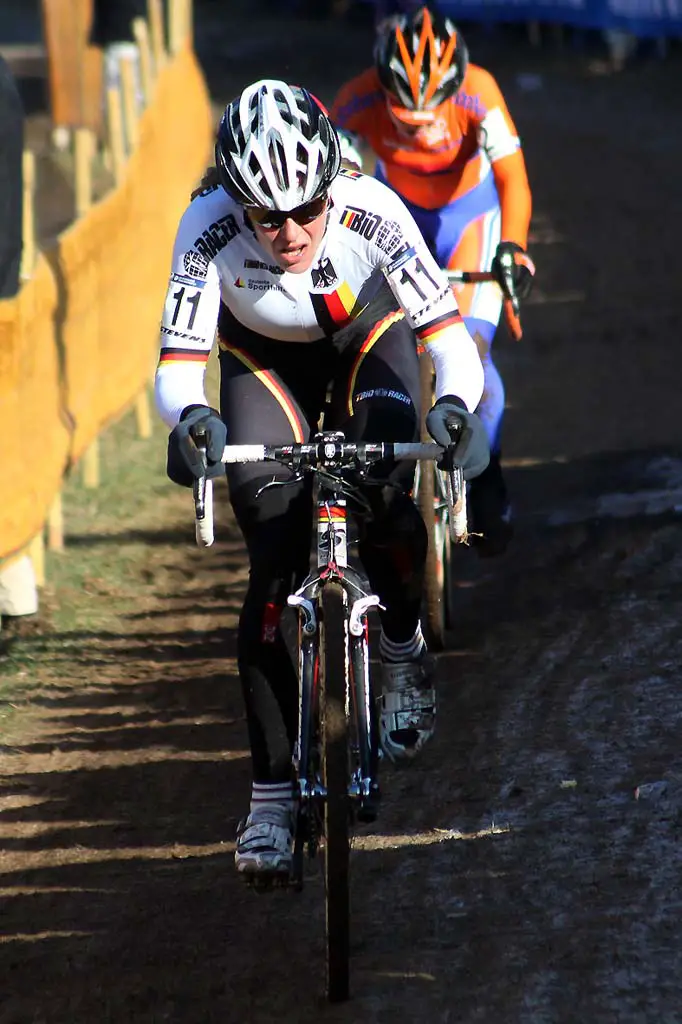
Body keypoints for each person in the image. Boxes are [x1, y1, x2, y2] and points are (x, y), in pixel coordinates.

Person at [154, 79, 488, 880]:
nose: (291, 231)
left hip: (366, 337)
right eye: (267, 218)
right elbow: (177, 368)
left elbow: (447, 339)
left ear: (330, 185)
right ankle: (269, 799)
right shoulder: (205, 225)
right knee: (270, 565)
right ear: (237, 202)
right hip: (261, 359)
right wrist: (192, 423)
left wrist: (450, 409)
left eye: (307, 210)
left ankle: (403, 648)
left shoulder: (370, 205)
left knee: (385, 490)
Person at [331, 5, 535, 556]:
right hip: (397, 223)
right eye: (402, 117)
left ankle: (487, 470)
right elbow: (337, 186)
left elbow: (512, 180)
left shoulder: (479, 91)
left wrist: (512, 248)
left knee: (472, 351)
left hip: (470, 222)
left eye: (427, 118)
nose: (414, 128)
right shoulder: (356, 99)